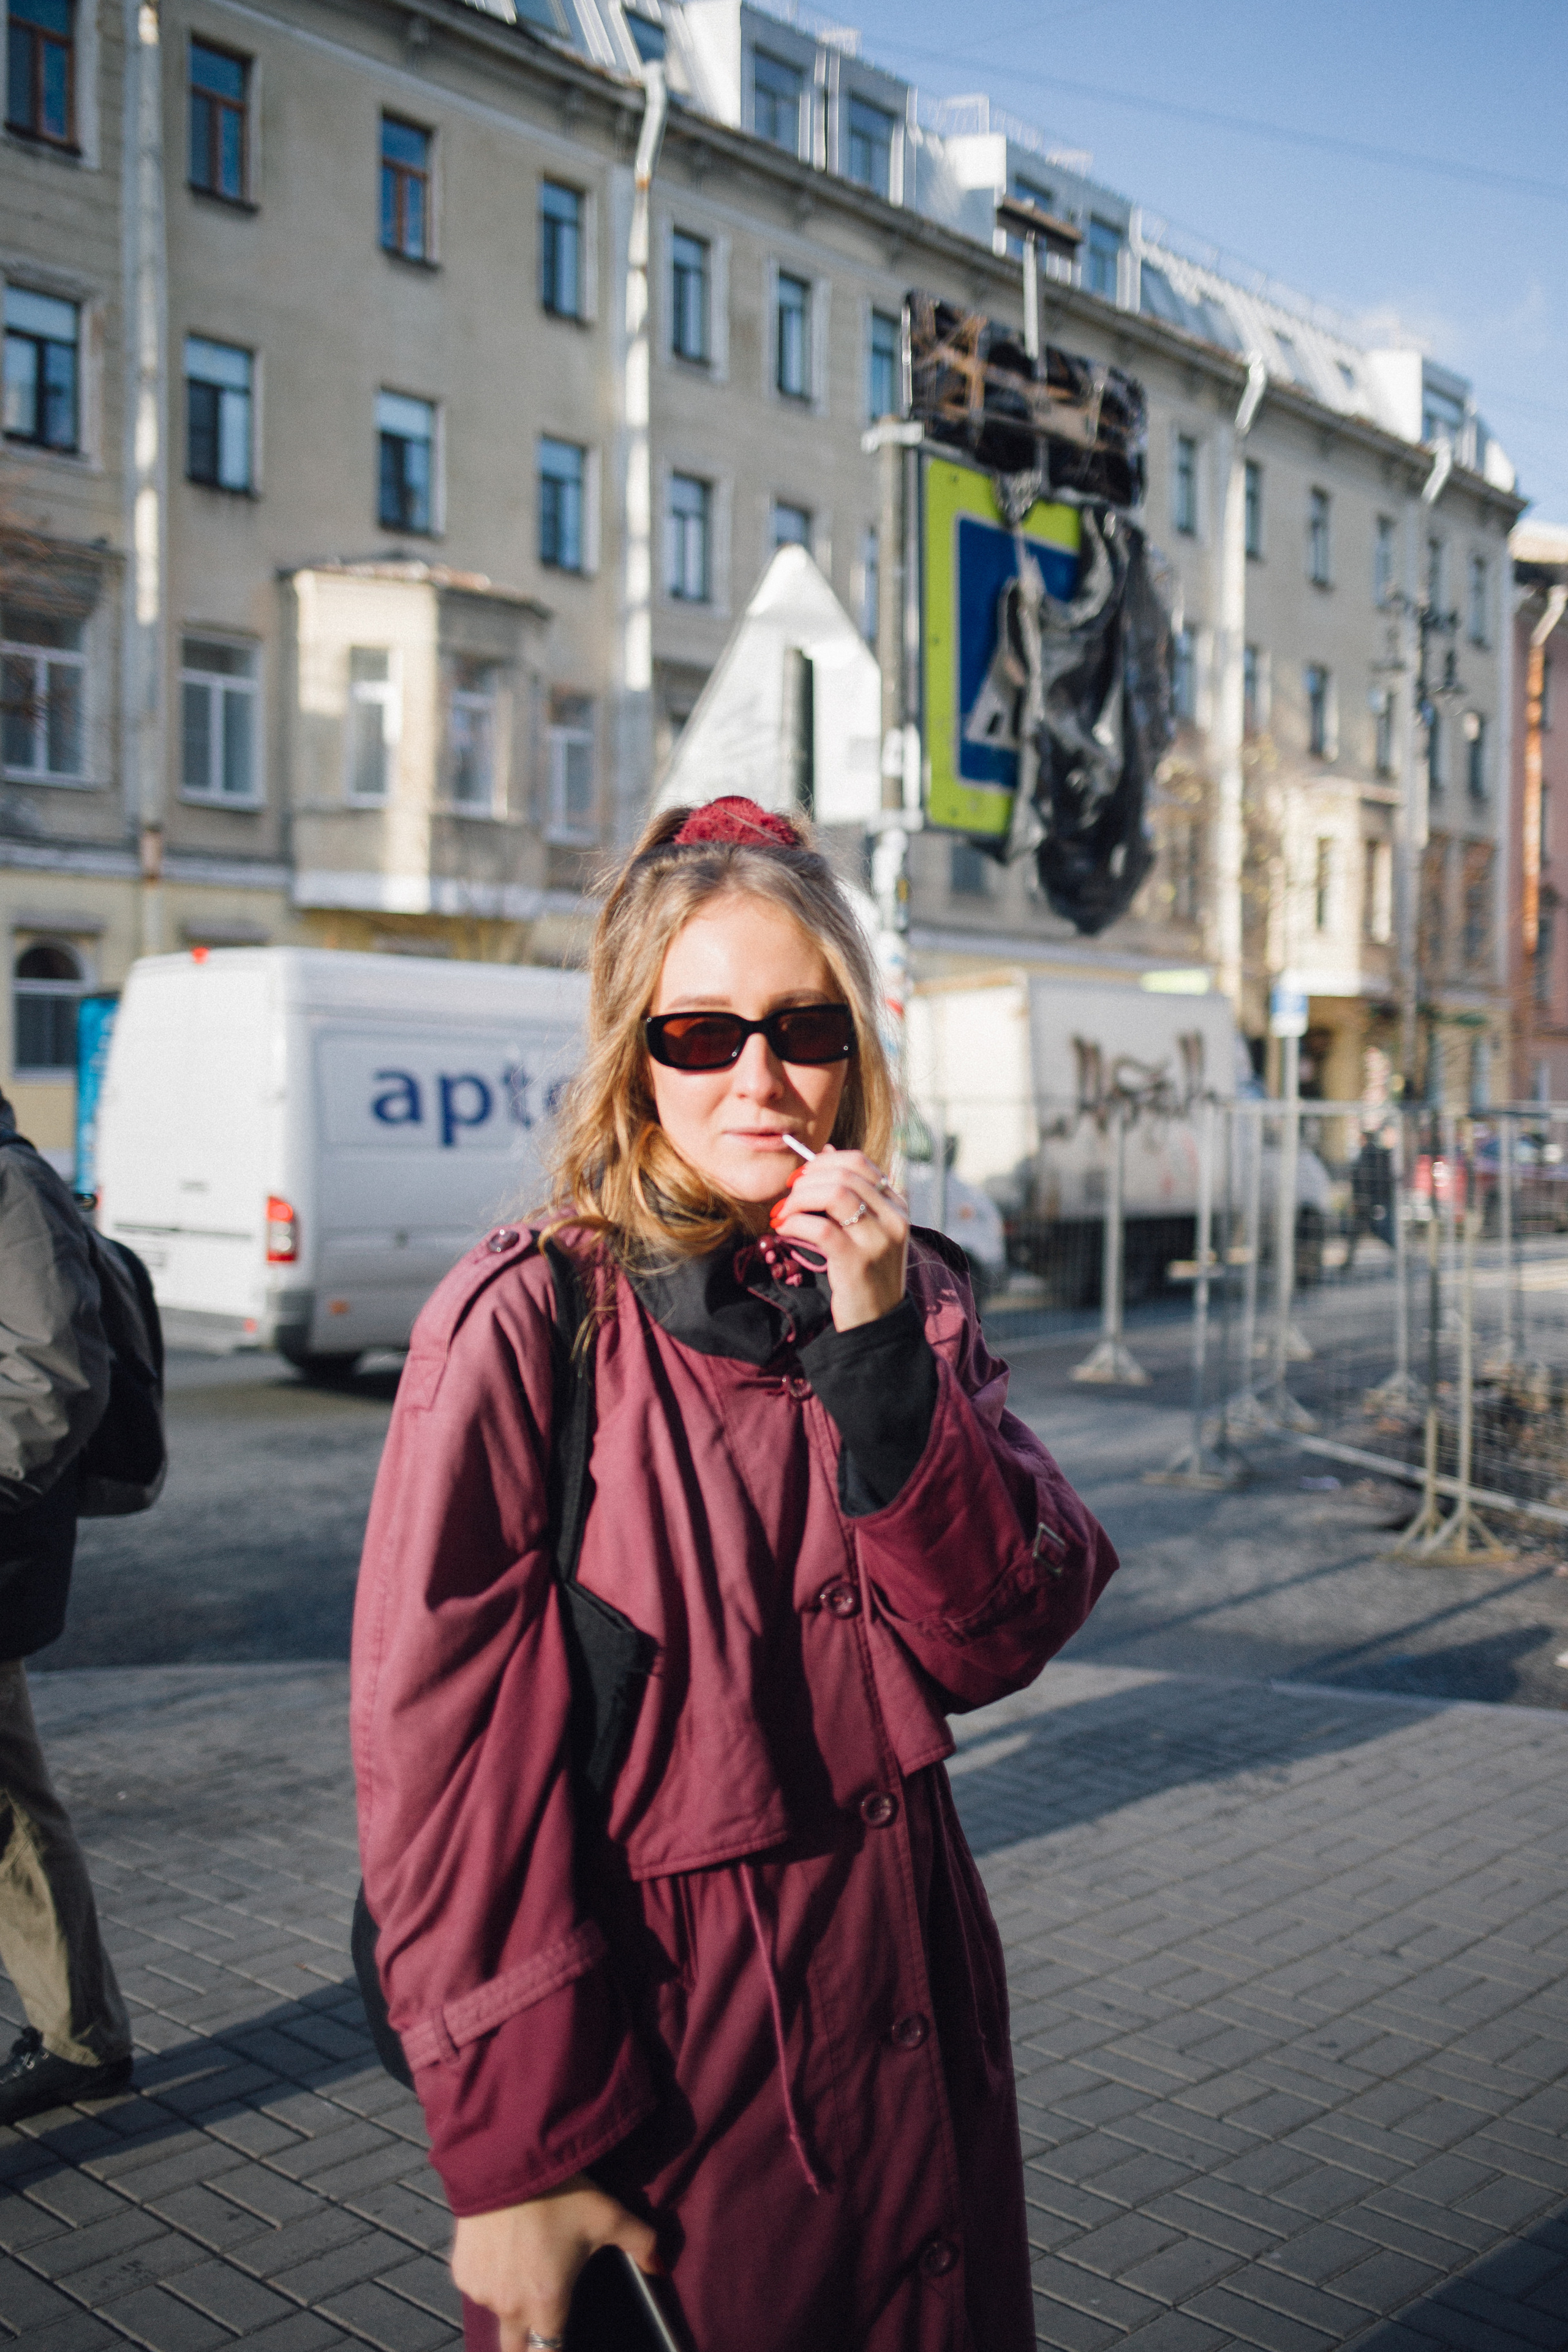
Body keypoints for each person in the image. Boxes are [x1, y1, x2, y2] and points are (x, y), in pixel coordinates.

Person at [352, 797, 1118, 2351]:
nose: (757, 1077)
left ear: (855, 1052)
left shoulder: (910, 1292)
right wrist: (514, 2151)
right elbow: (442, 1769)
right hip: (671, 2068)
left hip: (911, 2008)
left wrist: (880, 1347)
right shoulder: (524, 1323)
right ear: (633, 1060)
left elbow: (997, 1632)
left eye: (800, 1028)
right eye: (698, 1034)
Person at [0, 1088, 135, 2122]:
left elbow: (54, 1382)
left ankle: (82, 2038)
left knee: (9, 1809)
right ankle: (76, 2026)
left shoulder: (11, 1189)